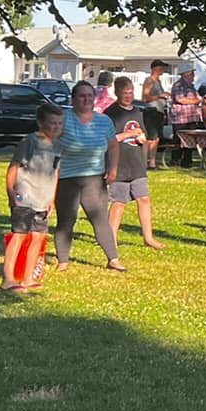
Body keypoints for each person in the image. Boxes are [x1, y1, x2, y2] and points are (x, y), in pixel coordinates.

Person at [52, 81, 123, 273]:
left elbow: (113, 146)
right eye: (82, 96)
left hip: (94, 178)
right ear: (73, 99)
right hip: (67, 178)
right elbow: (50, 145)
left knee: (99, 219)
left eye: (90, 96)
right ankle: (63, 261)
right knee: (66, 220)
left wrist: (113, 168)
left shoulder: (104, 121)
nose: (86, 99)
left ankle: (113, 259)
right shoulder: (63, 119)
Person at [3, 104, 64, 290]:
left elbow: (54, 172)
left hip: (42, 199)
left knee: (38, 236)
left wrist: (52, 198)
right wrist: (11, 192)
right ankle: (8, 279)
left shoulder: (57, 146)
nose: (56, 127)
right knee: (19, 235)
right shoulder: (29, 142)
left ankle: (28, 278)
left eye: (59, 123)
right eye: (52, 123)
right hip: (25, 196)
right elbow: (13, 168)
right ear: (40, 123)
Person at [104, 77, 164, 253]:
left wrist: (142, 140)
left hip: (136, 163)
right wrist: (129, 134)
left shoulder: (138, 112)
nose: (128, 96)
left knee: (144, 199)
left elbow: (143, 135)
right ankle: (111, 239)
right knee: (119, 202)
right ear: (117, 93)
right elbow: (108, 139)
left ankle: (148, 237)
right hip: (119, 164)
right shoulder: (110, 114)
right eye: (125, 93)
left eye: (130, 93)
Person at [139, 60, 171, 166]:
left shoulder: (159, 81)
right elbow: (145, 98)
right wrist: (159, 96)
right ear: (155, 68)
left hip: (159, 111)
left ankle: (152, 162)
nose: (163, 70)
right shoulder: (149, 80)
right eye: (161, 68)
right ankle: (146, 160)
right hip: (151, 111)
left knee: (156, 138)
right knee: (151, 137)